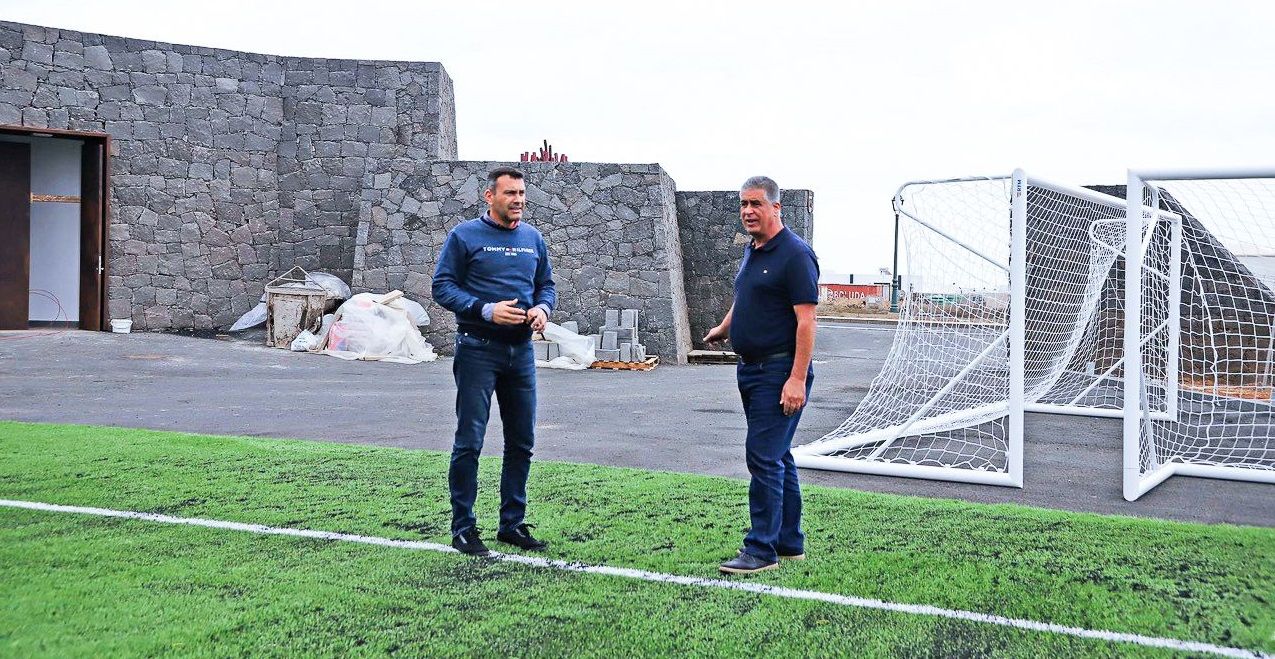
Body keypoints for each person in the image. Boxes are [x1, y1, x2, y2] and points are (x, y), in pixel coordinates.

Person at [432, 166, 556, 556]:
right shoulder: (464, 236)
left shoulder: (533, 238)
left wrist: (542, 310)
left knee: (522, 442)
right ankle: (463, 529)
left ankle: (511, 525)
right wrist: (486, 310)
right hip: (477, 349)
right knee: (470, 441)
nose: (518, 200)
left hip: (521, 354)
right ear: (490, 196)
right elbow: (442, 287)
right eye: (510, 193)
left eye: (521, 193)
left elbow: (546, 286)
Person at [704, 175, 819, 575]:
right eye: (743, 204)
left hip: (779, 370)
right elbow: (746, 296)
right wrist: (725, 327)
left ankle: (761, 550)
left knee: (763, 456)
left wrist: (796, 379)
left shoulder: (795, 254)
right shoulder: (753, 250)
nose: (748, 211)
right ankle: (788, 542)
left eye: (756, 204)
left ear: (776, 207)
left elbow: (806, 321)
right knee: (777, 455)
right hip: (751, 369)